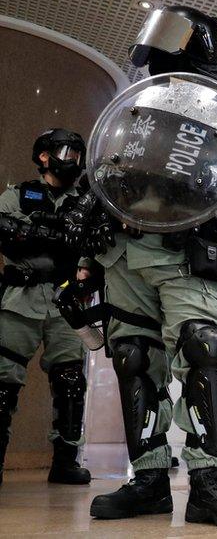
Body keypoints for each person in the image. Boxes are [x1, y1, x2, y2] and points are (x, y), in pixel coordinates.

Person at [79, 5, 217, 528]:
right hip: (122, 250)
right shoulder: (141, 99)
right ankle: (149, 481)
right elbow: (111, 166)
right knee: (133, 357)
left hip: (184, 249)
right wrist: (88, 231)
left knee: (204, 349)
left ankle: (207, 485)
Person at [0, 129, 91, 486]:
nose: (73, 161)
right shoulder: (18, 195)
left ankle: (65, 462)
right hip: (19, 303)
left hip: (64, 304)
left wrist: (35, 234)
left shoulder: (84, 203)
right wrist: (51, 236)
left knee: (70, 384)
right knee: (2, 385)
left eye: (77, 155)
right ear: (43, 156)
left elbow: (89, 245)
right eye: (66, 153)